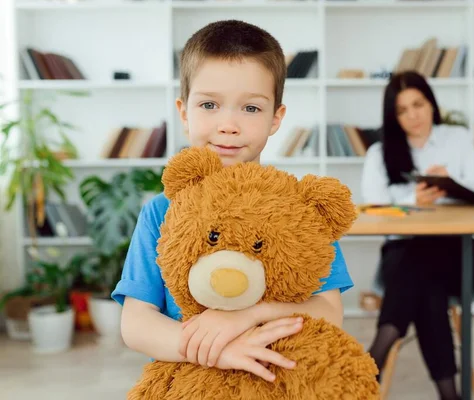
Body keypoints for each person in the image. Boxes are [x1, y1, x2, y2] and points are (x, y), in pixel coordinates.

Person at [111, 20, 353, 384]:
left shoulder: (299, 210)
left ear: (276, 118)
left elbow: (329, 310)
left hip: (277, 383)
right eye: (209, 104)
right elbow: (136, 322)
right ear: (184, 112)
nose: (228, 124)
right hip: (188, 382)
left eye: (251, 109)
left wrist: (248, 315)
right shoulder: (161, 211)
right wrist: (218, 351)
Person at [361, 71, 474, 400]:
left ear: (431, 103)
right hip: (405, 259)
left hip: (459, 256)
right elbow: (373, 209)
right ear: (393, 116)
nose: (413, 115)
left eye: (418, 104)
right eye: (402, 110)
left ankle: (377, 351)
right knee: (428, 289)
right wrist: (410, 201)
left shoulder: (457, 140)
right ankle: (450, 395)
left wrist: (452, 181)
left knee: (421, 262)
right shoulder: (379, 153)